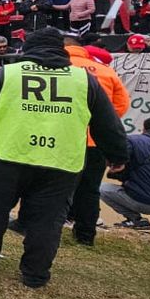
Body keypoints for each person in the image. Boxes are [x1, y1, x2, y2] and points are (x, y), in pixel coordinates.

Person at [0, 28, 128, 288]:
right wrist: (117, 155)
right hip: (60, 160)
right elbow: (108, 123)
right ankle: (35, 274)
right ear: (61, 50)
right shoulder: (83, 79)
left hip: (7, 155)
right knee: (48, 220)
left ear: (27, 49)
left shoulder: (9, 74)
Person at [63, 33, 131, 246]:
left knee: (56, 186)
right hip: (95, 142)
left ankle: (48, 227)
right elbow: (121, 106)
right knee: (90, 189)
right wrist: (97, 124)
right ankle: (85, 235)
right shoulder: (106, 71)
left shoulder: (57, 68)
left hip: (63, 138)